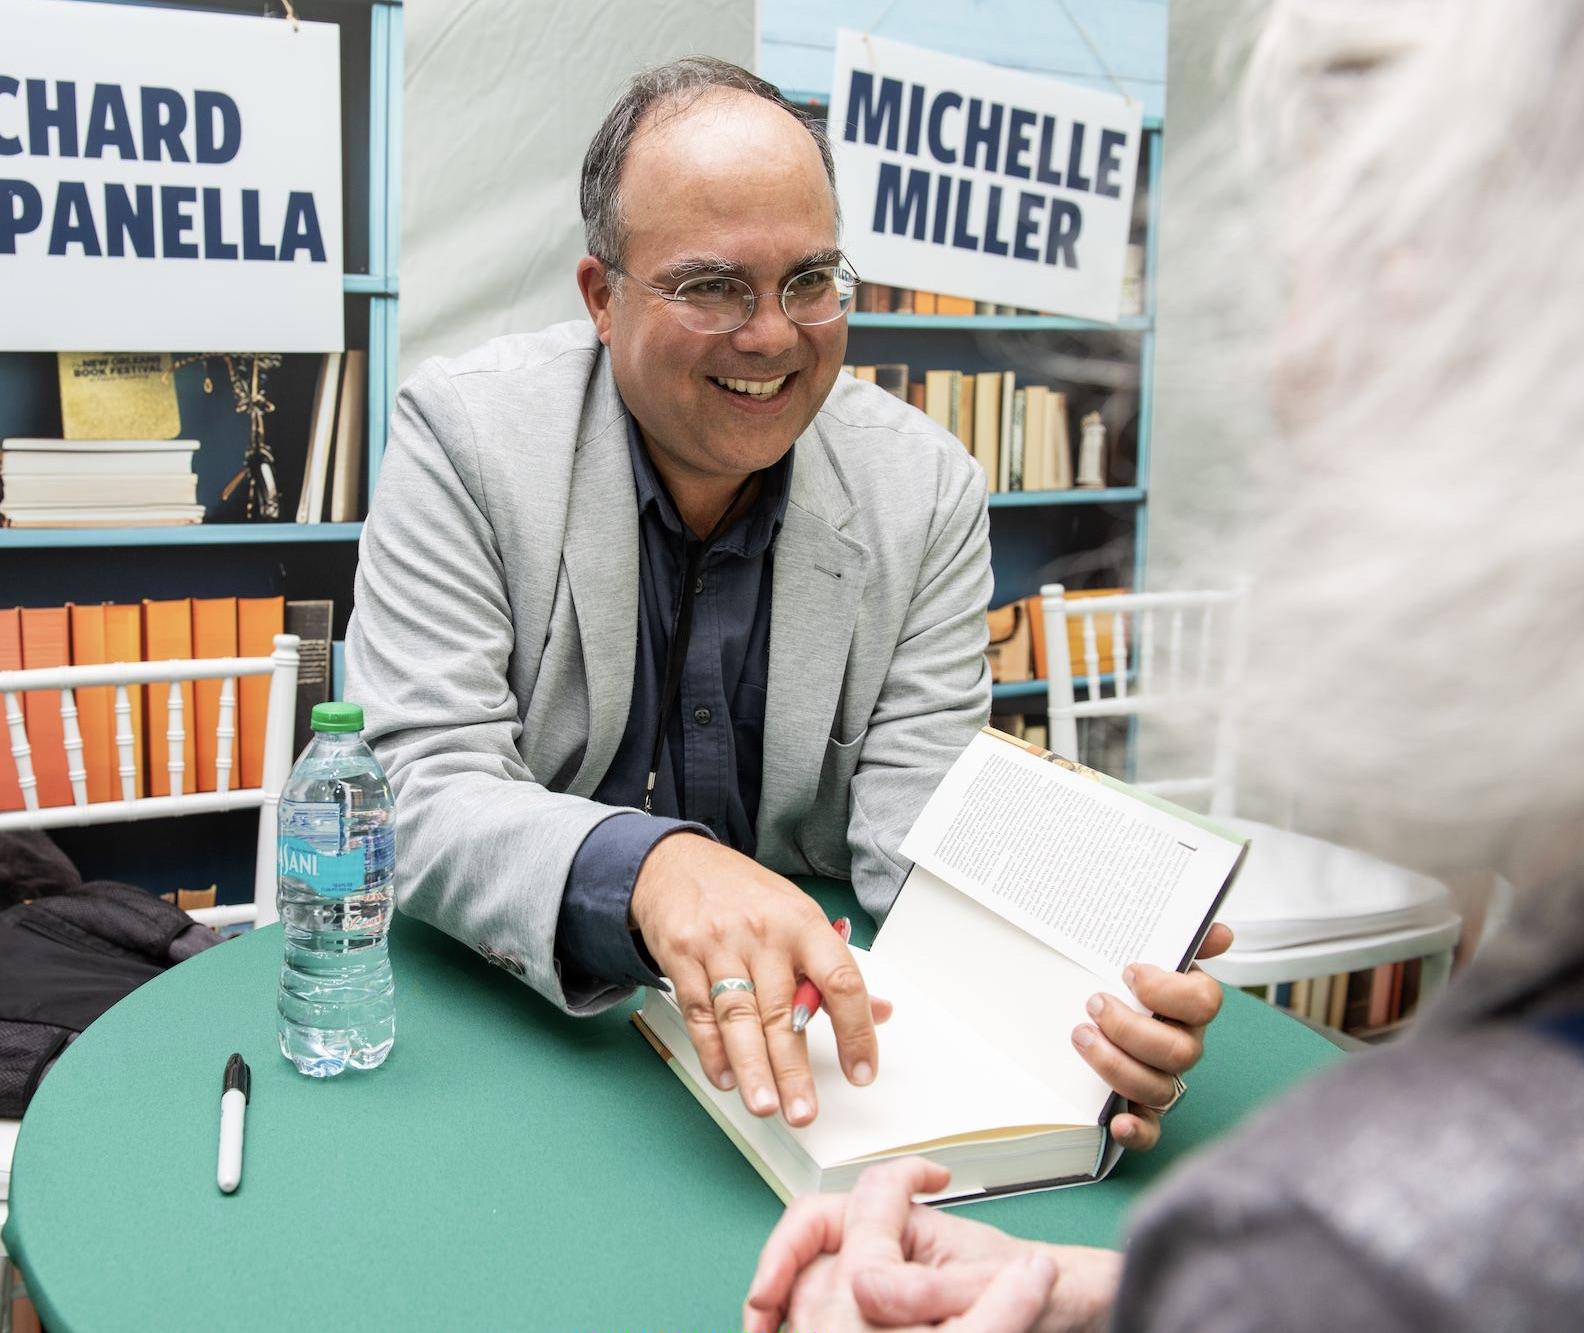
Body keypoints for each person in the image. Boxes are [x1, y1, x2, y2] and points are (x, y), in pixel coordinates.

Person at [743, 0, 1584, 1328]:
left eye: (1359, 254)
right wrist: (1112, 1294)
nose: (1293, 372)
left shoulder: (1337, 1241)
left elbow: (914, 803)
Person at [344, 56, 1223, 1140]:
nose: (771, 336)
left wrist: (1079, 991)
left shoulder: (925, 487)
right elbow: (418, 783)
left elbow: (918, 821)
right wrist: (655, 870)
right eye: (711, 286)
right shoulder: (465, 436)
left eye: (808, 280)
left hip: (813, 1045)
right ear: (600, 298)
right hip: (505, 1039)